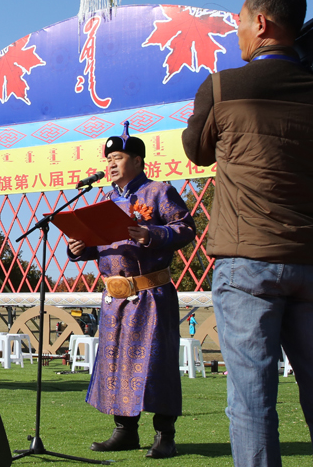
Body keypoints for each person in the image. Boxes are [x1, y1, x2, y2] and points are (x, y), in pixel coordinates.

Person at [182, 0, 313, 467]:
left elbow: (196, 150)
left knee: (252, 399)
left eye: (241, 22)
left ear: (261, 23)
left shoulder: (223, 86)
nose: (237, 33)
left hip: (248, 262)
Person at [67, 124, 195, 459]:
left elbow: (185, 228)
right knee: (116, 365)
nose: (110, 164)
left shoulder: (158, 191)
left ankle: (165, 435)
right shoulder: (107, 200)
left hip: (150, 295)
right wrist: (82, 248)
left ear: (137, 161)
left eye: (117, 158)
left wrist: (150, 234)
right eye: (108, 158)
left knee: (155, 365)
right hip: (114, 299)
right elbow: (106, 246)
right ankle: (125, 431)